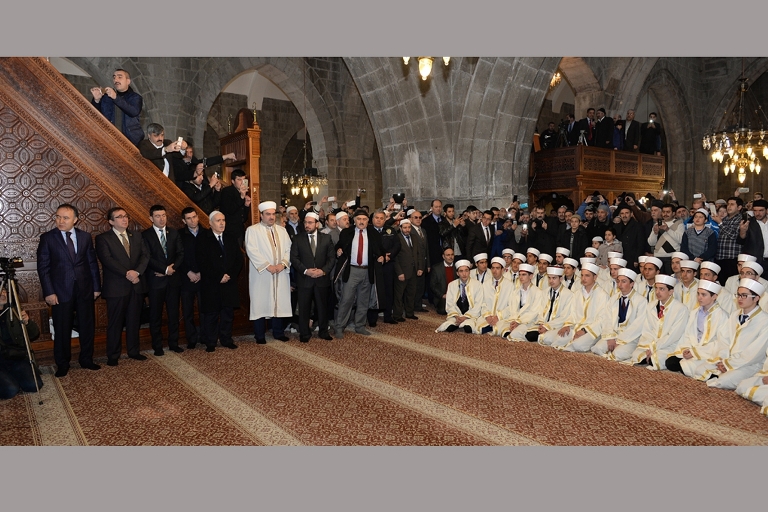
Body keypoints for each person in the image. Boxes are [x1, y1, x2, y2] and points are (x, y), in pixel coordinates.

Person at [37, 203, 102, 377]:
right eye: (58, 216)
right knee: (62, 328)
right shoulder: (48, 238)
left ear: (75, 219)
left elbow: (92, 264)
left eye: (65, 217)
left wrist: (96, 287)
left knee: (87, 327)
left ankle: (86, 359)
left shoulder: (85, 237)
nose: (60, 220)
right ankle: (63, 364)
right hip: (60, 292)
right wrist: (49, 292)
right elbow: (43, 268)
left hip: (85, 289)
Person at [95, 207, 150, 366]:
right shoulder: (103, 238)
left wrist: (137, 273)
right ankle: (113, 355)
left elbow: (145, 256)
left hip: (136, 286)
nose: (124, 219)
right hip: (116, 287)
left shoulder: (137, 236)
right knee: (115, 323)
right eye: (119, 217)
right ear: (111, 221)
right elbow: (107, 260)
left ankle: (134, 351)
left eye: (126, 216)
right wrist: (128, 274)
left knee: (134, 321)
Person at [693, 279, 768, 389]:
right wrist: (723, 359)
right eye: (738, 295)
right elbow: (724, 339)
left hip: (749, 364)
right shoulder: (735, 314)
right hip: (728, 358)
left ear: (756, 298)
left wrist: (730, 364)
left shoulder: (764, 320)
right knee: (699, 370)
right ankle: (720, 372)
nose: (740, 299)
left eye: (744, 295)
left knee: (723, 381)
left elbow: (754, 354)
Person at [245, 201, 292, 344]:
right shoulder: (252, 230)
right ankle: (259, 335)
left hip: (280, 272)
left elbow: (288, 249)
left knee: (279, 301)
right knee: (260, 302)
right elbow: (251, 251)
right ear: (261, 215)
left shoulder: (282, 231)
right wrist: (268, 266)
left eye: (273, 214)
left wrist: (283, 264)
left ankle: (278, 332)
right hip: (262, 274)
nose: (271, 217)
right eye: (268, 214)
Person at [195, 211, 242, 351]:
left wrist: (229, 275)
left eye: (223, 220)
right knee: (211, 314)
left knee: (228, 313)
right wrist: (218, 276)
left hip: (229, 282)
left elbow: (238, 260)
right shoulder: (203, 238)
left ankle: (226, 339)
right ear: (210, 223)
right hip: (211, 283)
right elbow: (202, 262)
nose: (222, 223)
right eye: (218, 220)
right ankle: (211, 342)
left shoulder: (231, 237)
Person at [142, 205, 184, 355]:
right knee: (155, 316)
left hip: (173, 281)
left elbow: (180, 253)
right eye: (158, 216)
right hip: (155, 281)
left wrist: (171, 269)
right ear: (151, 218)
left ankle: (174, 343)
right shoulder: (145, 235)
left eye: (164, 215)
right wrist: (164, 270)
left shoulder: (173, 233)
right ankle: (157, 346)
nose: (161, 219)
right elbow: (147, 257)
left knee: (174, 314)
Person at [334, 209, 384, 338]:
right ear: (354, 221)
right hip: (352, 270)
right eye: (359, 219)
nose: (361, 222)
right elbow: (339, 245)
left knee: (363, 300)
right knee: (346, 299)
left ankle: (360, 326)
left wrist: (382, 256)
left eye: (364, 219)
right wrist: (338, 250)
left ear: (368, 221)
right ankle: (339, 327)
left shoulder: (374, 234)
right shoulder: (347, 232)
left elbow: (380, 249)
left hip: (367, 271)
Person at [665, 280, 728, 377]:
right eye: (698, 294)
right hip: (693, 348)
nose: (699, 297)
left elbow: (719, 342)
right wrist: (686, 349)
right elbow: (688, 334)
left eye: (704, 295)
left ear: (714, 296)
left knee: (686, 366)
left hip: (708, 352)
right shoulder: (695, 312)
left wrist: (695, 352)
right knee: (670, 362)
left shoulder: (722, 316)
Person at [290, 212, 336, 342]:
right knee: (304, 308)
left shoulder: (326, 238)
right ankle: (304, 333)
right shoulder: (298, 238)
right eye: (305, 222)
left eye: (310, 223)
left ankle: (323, 331)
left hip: (321, 279)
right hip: (305, 279)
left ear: (317, 224)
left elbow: (331, 258)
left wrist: (323, 271)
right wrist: (306, 271)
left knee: (322, 307)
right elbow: (294, 258)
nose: (307, 225)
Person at [545, 263, 609, 352]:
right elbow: (572, 313)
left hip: (592, 330)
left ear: (595, 277)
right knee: (558, 339)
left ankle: (593, 341)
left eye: (587, 276)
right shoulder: (577, 293)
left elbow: (602, 319)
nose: (583, 278)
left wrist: (584, 330)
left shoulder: (602, 295)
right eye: (582, 275)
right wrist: (567, 325)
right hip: (576, 326)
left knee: (578, 345)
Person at [630, 275, 688, 370]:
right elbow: (647, 329)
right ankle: (647, 357)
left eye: (662, 289)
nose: (657, 292)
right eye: (656, 288)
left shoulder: (681, 309)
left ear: (671, 291)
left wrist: (654, 348)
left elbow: (673, 335)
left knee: (656, 358)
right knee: (636, 355)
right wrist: (650, 345)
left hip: (669, 344)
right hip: (651, 342)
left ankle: (650, 358)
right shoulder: (651, 306)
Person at [591, 268, 645, 361]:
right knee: (597, 348)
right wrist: (610, 337)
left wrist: (621, 341)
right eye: (618, 281)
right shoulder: (614, 298)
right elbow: (607, 319)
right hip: (614, 334)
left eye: (624, 281)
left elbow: (638, 326)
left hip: (630, 338)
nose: (620, 285)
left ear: (632, 284)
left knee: (617, 354)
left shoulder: (641, 301)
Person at [0, 287, 43, 399]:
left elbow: (34, 334)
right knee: (10, 390)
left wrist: (27, 323)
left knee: (34, 385)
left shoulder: (14, 311)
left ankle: (12, 377)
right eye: (0, 291)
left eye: (5, 291)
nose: (3, 293)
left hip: (16, 357)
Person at [90, 68, 144, 146]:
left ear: (128, 81)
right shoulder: (106, 97)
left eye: (120, 77)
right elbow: (96, 116)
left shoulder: (135, 97)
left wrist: (115, 97)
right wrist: (96, 100)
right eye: (114, 77)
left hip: (130, 141)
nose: (116, 79)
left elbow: (133, 111)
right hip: (108, 139)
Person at [178, 207, 206, 349]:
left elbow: (210, 256)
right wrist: (188, 272)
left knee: (205, 309)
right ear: (184, 220)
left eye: (194, 217)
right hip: (186, 278)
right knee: (187, 311)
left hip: (203, 278)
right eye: (189, 218)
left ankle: (205, 337)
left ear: (198, 217)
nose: (192, 220)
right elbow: (177, 257)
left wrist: (201, 272)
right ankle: (192, 339)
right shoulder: (179, 235)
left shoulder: (206, 233)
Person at [435, 259, 484, 334]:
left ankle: (464, 322)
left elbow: (478, 304)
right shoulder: (452, 285)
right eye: (461, 271)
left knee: (468, 328)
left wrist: (466, 317)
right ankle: (457, 321)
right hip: (457, 313)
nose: (464, 274)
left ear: (469, 272)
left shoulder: (477, 285)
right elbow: (450, 303)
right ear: (457, 273)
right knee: (449, 327)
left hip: (470, 314)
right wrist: (456, 316)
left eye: (466, 270)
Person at [502, 263, 545, 340]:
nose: (521, 277)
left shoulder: (538, 292)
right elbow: (513, 308)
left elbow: (534, 312)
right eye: (520, 275)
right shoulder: (516, 291)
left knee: (514, 334)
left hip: (529, 321)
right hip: (516, 319)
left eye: (524, 275)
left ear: (531, 276)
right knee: (499, 329)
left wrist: (518, 321)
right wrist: (514, 321)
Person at [392, 219, 424, 322]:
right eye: (405, 228)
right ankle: (397, 315)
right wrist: (399, 272)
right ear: (400, 228)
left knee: (411, 293)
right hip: (402, 272)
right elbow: (395, 258)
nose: (407, 230)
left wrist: (420, 267)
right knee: (399, 295)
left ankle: (410, 313)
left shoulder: (414, 238)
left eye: (409, 227)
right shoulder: (397, 238)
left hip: (413, 271)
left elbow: (419, 254)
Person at [476, 257, 515, 336]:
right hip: (487, 316)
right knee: (477, 329)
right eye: (493, 268)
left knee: (501, 330)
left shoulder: (509, 285)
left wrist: (498, 316)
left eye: (497, 268)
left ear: (502, 270)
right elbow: (482, 302)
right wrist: (487, 316)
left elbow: (510, 306)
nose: (494, 271)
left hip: (502, 317)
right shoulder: (486, 284)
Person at [220, 169, 252, 246]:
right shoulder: (227, 191)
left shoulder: (244, 192)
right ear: (233, 181)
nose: (242, 182)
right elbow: (229, 210)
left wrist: (246, 205)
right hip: (229, 230)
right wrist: (241, 197)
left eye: (244, 179)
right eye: (239, 179)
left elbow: (243, 217)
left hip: (240, 229)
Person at [737, 198, 768, 269]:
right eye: (755, 211)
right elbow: (741, 241)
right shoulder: (748, 223)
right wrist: (742, 231)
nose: (757, 213)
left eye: (761, 210)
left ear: (766, 210)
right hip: (755, 262)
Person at [430, 247, 456, 315]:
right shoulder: (436, 268)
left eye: (452, 254)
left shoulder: (458, 267)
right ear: (443, 256)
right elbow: (433, 286)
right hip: (443, 296)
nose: (450, 257)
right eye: (448, 255)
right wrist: (442, 295)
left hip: (455, 295)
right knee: (443, 311)